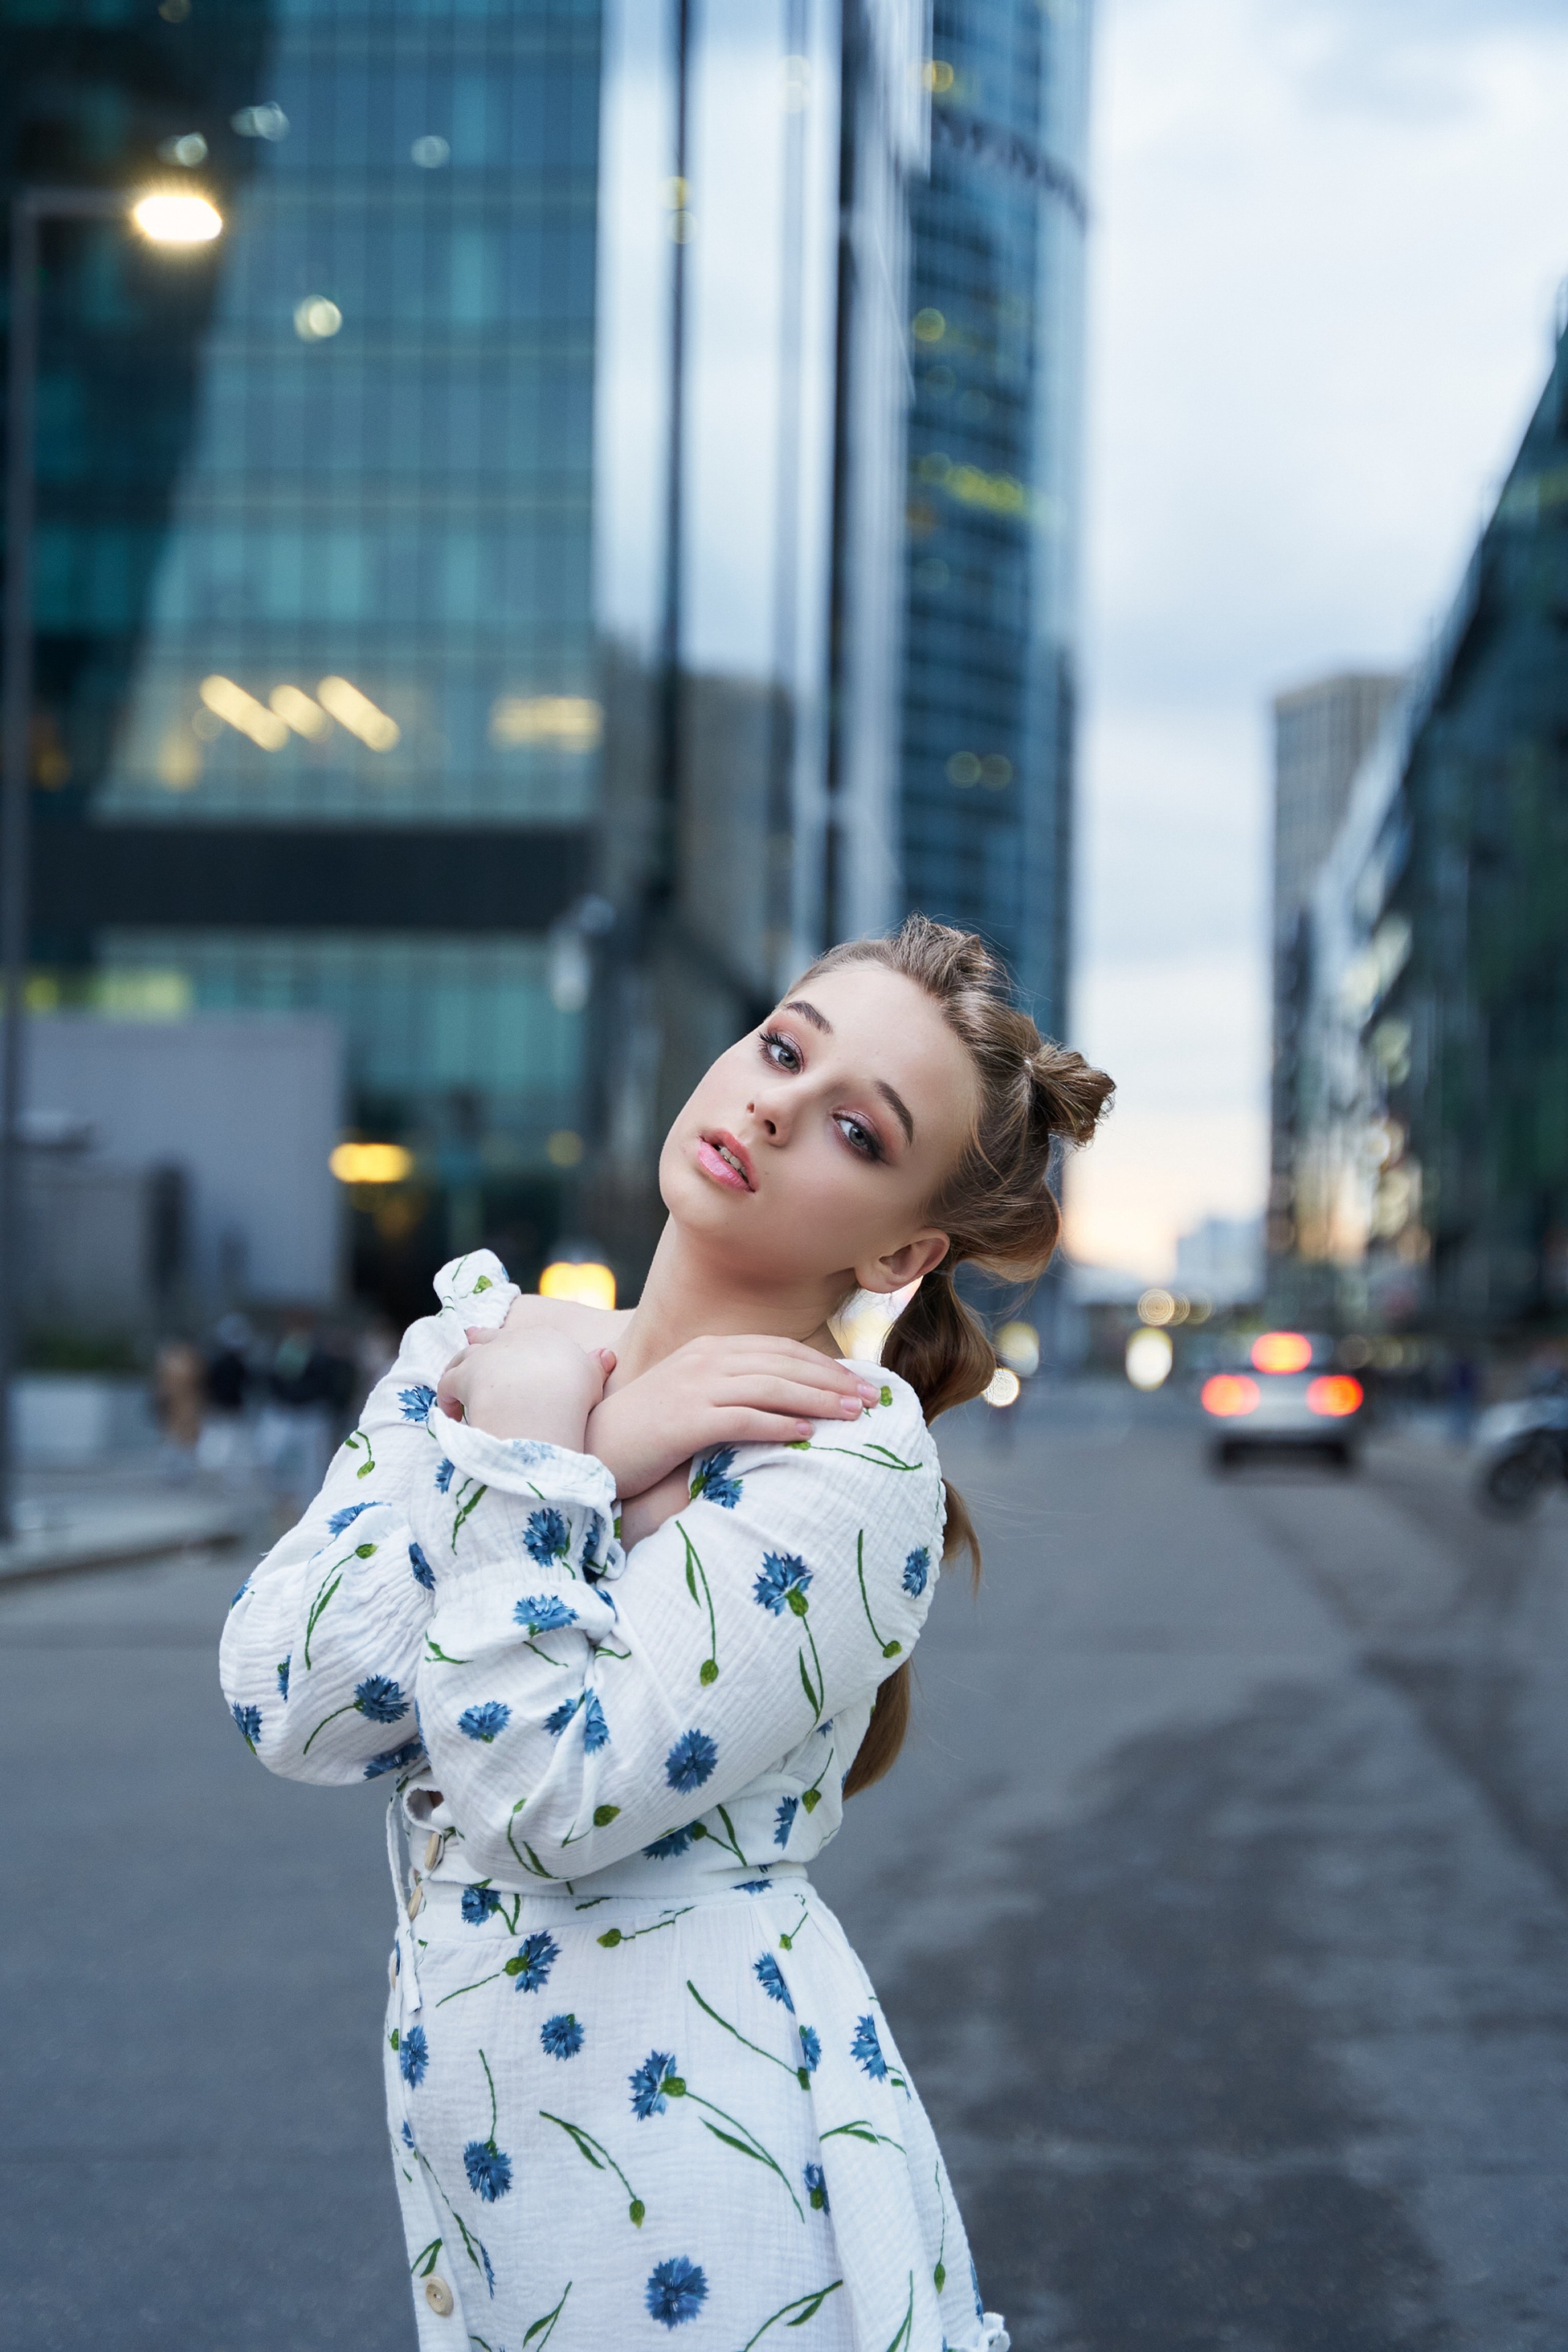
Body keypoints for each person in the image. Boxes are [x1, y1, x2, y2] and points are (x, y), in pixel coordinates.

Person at [221, 917, 1112, 2350]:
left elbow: (538, 1800)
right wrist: (592, 1444)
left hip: (706, 2195)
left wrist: (533, 1458)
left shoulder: (841, 1458)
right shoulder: (481, 1347)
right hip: (489, 2203)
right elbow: (287, 1701)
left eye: (855, 1130)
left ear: (900, 1249)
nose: (772, 1106)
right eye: (781, 1049)